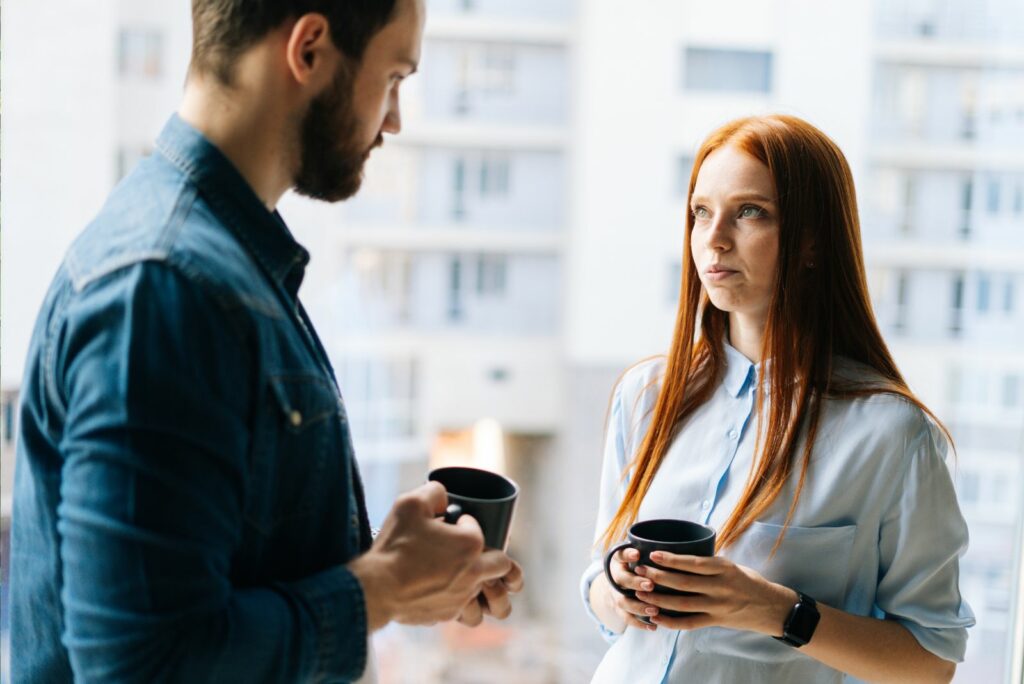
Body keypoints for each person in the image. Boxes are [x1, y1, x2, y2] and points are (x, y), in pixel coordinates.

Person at [10, 1, 523, 682]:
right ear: (309, 49)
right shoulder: (163, 287)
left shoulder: (225, 266)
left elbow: (218, 569)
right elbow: (144, 663)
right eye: (394, 78)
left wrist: (399, 576)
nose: (395, 119)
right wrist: (381, 589)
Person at [580, 114, 974, 683]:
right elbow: (596, 580)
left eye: (749, 212)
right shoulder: (645, 396)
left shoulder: (892, 435)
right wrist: (619, 591)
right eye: (700, 212)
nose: (714, 239)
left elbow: (931, 662)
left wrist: (771, 609)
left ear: (813, 240)